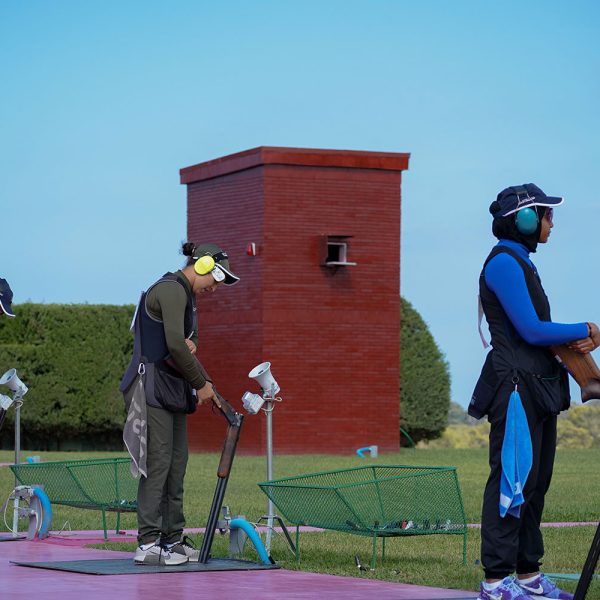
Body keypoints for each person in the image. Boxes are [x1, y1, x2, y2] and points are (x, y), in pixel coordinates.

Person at [469, 184, 600, 600]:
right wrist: (586, 329)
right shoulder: (504, 263)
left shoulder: (521, 262)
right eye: (546, 215)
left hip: (536, 389)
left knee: (536, 484)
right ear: (525, 220)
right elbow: (531, 330)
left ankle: (527, 575)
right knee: (511, 484)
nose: (551, 224)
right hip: (515, 389)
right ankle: (495, 582)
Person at [120, 242, 239, 566]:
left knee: (176, 464)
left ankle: (171, 540)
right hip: (151, 385)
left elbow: (189, 340)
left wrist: (192, 347)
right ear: (202, 266)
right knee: (158, 463)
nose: (215, 287)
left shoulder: (187, 296)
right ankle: (148, 544)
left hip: (170, 387)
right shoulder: (171, 290)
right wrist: (202, 384)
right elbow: (174, 344)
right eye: (216, 278)